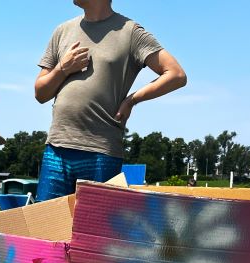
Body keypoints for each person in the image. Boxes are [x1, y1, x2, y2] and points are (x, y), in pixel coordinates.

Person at [34, 0, 186, 202]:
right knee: (47, 231)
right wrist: (63, 68)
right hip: (56, 148)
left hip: (101, 152)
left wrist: (132, 100)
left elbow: (176, 74)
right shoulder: (62, 31)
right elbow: (40, 94)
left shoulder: (131, 32)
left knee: (94, 231)